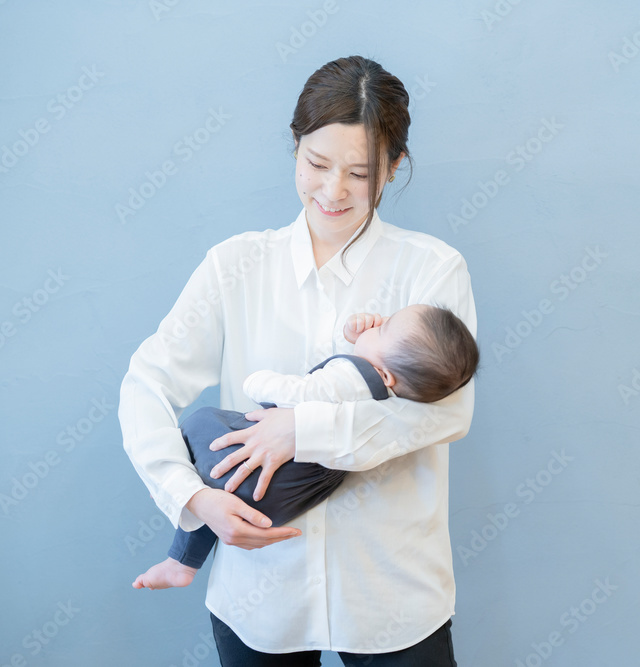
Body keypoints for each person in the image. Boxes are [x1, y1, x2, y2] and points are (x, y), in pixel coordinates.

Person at [119, 55, 475, 665]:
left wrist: (301, 430)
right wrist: (191, 498)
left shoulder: (434, 270)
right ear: (295, 147)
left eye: (360, 173)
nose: (333, 191)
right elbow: (146, 383)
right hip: (260, 598)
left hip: (393, 598)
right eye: (316, 164)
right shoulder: (235, 266)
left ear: (394, 167)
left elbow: (443, 416)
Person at [132, 305, 479, 591]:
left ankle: (182, 504)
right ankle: (182, 558)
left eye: (385, 328)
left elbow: (295, 394)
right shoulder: (391, 396)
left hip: (255, 471)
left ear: (385, 374)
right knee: (222, 495)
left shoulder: (352, 374)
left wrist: (259, 381)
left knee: (201, 421)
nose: (379, 320)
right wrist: (368, 340)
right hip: (286, 497)